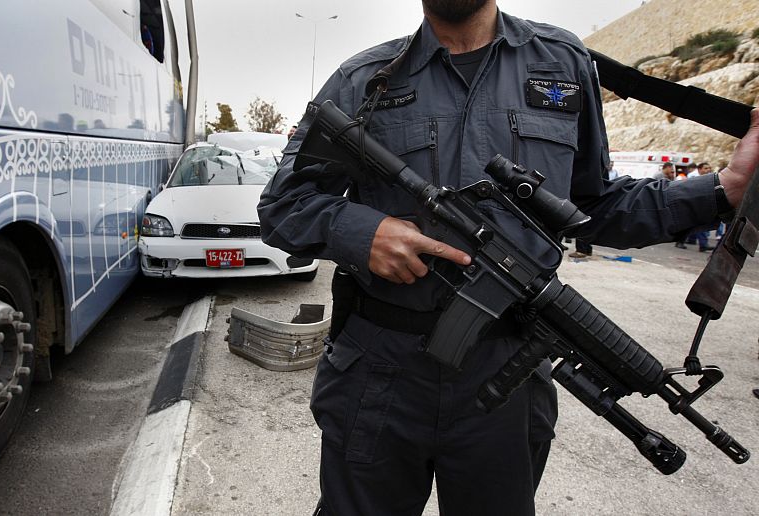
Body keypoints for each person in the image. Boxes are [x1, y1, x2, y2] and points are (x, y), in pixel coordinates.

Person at [258, 2, 759, 514]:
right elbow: (282, 207)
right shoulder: (363, 79)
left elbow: (593, 207)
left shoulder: (562, 63)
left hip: (508, 373)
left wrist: (725, 189)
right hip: (380, 367)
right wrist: (364, 233)